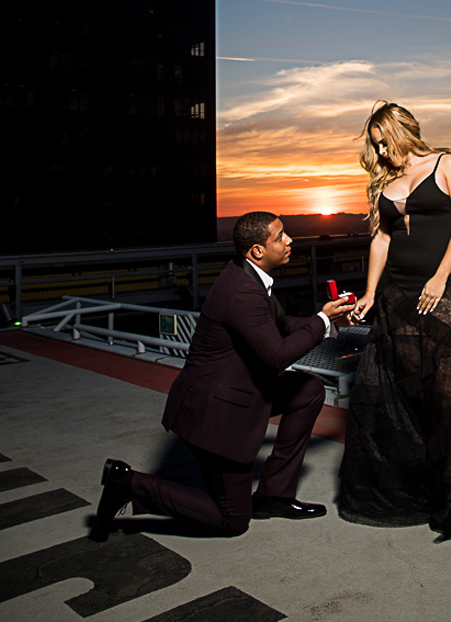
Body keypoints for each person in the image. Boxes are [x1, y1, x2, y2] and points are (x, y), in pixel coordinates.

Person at [93, 211, 354, 541]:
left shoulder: (249, 277)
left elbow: (279, 326)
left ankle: (274, 496)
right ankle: (128, 483)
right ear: (257, 251)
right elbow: (277, 355)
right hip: (215, 413)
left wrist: (329, 323)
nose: (289, 240)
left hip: (235, 394)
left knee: (308, 389)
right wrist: (321, 319)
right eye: (280, 236)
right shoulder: (241, 290)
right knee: (232, 521)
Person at [338, 102, 451, 541]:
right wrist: (369, 292)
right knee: (407, 398)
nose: (381, 151)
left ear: (403, 131)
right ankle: (417, 493)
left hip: (446, 292)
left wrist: (440, 277)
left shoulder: (446, 163)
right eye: (376, 145)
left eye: (385, 141)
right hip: (397, 296)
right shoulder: (383, 180)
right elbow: (381, 238)